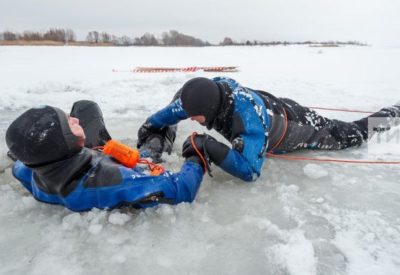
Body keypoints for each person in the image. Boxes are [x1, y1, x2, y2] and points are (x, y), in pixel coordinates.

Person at [137, 77, 400, 181]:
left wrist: (210, 146)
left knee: (352, 134)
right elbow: (174, 111)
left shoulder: (248, 121)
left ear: (209, 110)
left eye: (195, 117)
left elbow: (250, 170)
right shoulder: (205, 96)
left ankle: (393, 113)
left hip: (298, 128)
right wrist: (151, 127)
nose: (191, 120)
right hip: (275, 106)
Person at [5, 100, 204, 212]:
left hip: (83, 157)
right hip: (129, 165)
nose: (74, 119)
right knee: (157, 134)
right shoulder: (110, 180)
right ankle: (178, 106)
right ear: (60, 140)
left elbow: (20, 164)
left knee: (85, 106)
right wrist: (195, 154)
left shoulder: (33, 168)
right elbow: (181, 190)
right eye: (68, 122)